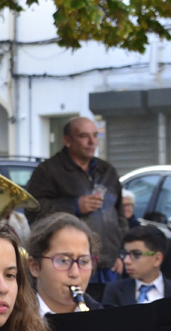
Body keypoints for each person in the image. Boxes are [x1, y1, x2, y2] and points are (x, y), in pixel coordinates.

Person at [26, 117, 126, 281]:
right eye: (84, 136)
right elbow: (34, 210)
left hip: (110, 267)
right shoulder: (48, 171)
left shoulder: (107, 171)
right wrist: (74, 206)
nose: (92, 142)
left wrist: (121, 253)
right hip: (71, 267)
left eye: (95, 135)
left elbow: (120, 215)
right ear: (68, 141)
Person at [26, 212, 102, 313]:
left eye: (83, 261)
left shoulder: (109, 320)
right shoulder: (12, 320)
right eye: (63, 261)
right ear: (34, 266)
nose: (75, 273)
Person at [102, 225, 171, 306]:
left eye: (136, 254)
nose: (126, 261)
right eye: (125, 254)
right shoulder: (114, 290)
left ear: (157, 259)